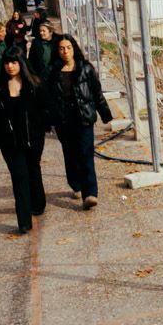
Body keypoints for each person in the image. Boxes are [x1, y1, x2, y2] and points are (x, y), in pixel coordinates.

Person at [42, 34, 111, 209]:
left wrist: (105, 114)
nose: (65, 52)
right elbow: (46, 99)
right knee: (71, 155)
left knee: (86, 154)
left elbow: (97, 93)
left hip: (84, 119)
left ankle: (90, 194)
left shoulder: (86, 69)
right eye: (61, 48)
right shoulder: (51, 72)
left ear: (74, 49)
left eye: (68, 48)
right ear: (57, 51)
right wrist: (46, 121)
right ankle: (75, 183)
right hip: (63, 121)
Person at [0, 48, 47, 234]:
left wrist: (44, 126)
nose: (10, 66)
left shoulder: (34, 84)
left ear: (21, 63)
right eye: (7, 63)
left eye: (14, 62)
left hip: (33, 138)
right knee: (19, 177)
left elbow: (45, 109)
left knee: (33, 170)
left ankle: (38, 202)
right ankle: (24, 220)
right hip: (9, 141)